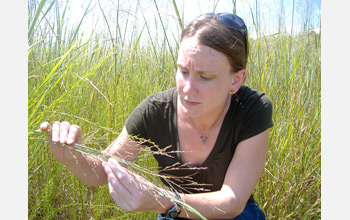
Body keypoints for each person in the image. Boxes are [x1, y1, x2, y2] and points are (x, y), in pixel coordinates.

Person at [40, 12, 273, 220]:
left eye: (205, 77)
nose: (187, 88)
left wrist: (160, 201)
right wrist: (70, 155)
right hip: (173, 211)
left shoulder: (252, 108)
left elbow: (232, 202)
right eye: (183, 71)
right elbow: (101, 171)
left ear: (236, 80)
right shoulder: (155, 110)